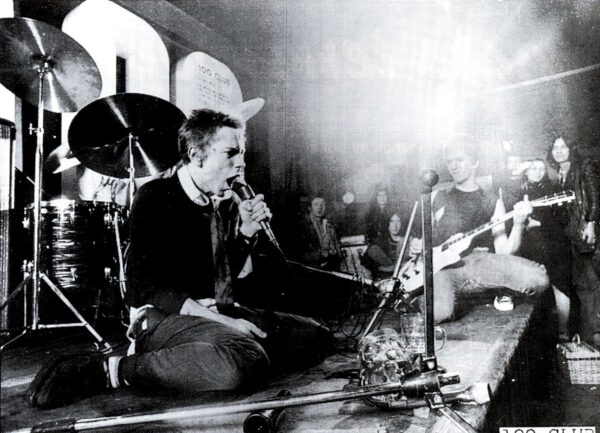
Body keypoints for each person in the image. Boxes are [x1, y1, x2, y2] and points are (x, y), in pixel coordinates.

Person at [29, 107, 334, 408]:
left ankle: (203, 358)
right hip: (164, 317)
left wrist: (247, 233)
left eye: (241, 153)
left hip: (212, 311)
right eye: (231, 153)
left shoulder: (221, 203)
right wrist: (225, 321)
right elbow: (150, 289)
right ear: (197, 155)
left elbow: (219, 277)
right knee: (244, 359)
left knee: (317, 335)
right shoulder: (155, 197)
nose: (241, 163)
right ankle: (112, 370)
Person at [406, 133, 549, 322]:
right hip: (442, 269)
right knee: (440, 312)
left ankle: (485, 293)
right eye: (449, 161)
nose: (453, 166)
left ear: (475, 163)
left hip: (477, 265)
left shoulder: (492, 202)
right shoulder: (436, 197)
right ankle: (424, 299)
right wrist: (415, 244)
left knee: (539, 278)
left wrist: (518, 223)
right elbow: (416, 238)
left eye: (459, 160)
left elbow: (504, 251)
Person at [548, 136, 600, 347]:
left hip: (586, 232)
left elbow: (595, 197)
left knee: (591, 283)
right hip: (573, 236)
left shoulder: (583, 167)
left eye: (563, 147)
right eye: (555, 148)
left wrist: (591, 223)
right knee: (582, 284)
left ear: (571, 149)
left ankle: (595, 335)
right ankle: (590, 338)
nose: (559, 151)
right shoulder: (559, 174)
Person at [518, 158, 573, 339]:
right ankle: (537, 336)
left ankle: (563, 333)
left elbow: (563, 219)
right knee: (536, 290)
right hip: (530, 247)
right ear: (526, 171)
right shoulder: (520, 190)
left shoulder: (552, 189)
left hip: (554, 245)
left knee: (560, 287)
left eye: (542, 169)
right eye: (533, 168)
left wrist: (539, 223)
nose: (538, 172)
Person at [295, 196, 343, 271]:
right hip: (312, 270)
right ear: (309, 208)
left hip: (332, 267)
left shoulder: (329, 225)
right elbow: (297, 255)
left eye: (323, 204)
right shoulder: (302, 226)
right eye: (316, 204)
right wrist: (320, 255)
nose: (319, 207)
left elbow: (337, 250)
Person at [363, 212, 410, 279]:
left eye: (398, 221)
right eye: (392, 221)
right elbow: (367, 263)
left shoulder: (408, 241)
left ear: (402, 223)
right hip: (385, 279)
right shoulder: (379, 242)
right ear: (387, 223)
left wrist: (388, 268)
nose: (395, 225)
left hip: (404, 277)